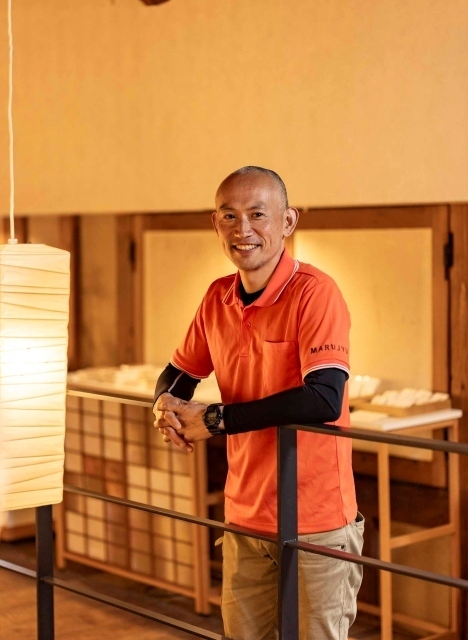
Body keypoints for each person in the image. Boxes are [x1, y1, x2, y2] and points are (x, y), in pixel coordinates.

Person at [152, 166, 364, 640]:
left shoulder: (316, 292)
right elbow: (179, 374)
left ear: (286, 222)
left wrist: (214, 419)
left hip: (318, 518)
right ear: (215, 225)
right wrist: (165, 407)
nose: (242, 229)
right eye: (229, 216)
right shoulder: (216, 297)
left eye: (256, 214)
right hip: (245, 515)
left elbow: (324, 399)